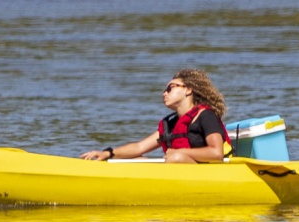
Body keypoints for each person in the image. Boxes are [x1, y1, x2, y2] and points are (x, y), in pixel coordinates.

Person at [82, 69, 230, 163]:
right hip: (183, 171)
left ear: (188, 90)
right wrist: (108, 153)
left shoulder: (206, 116)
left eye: (170, 88)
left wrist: (179, 152)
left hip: (212, 175)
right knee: (136, 160)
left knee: (175, 158)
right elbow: (139, 147)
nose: (164, 93)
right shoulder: (171, 125)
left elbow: (216, 153)